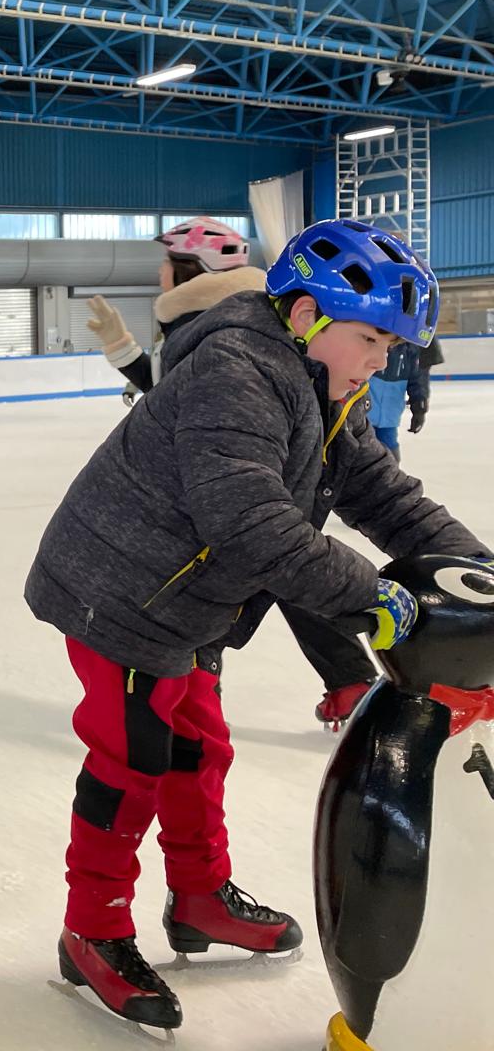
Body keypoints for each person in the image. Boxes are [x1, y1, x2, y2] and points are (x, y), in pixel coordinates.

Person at [25, 219, 488, 1031]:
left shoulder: (322, 384)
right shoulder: (236, 370)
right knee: (132, 761)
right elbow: (250, 521)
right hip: (122, 591)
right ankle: (91, 929)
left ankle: (199, 895)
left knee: (200, 748)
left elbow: (385, 498)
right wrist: (377, 597)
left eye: (391, 347)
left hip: (192, 602)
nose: (381, 363)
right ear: (306, 314)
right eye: (371, 339)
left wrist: (476, 572)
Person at [85, 217, 379, 729]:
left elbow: (184, 392)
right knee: (287, 565)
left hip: (235, 494)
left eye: (166, 263)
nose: (159, 274)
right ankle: (344, 678)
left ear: (192, 268)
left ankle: (202, 707)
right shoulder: (227, 311)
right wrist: (123, 349)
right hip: (247, 483)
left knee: (277, 562)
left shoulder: (212, 320)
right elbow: (174, 390)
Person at [366, 335, 441, 458]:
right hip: (362, 413)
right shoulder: (373, 334)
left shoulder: (412, 345)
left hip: (389, 416)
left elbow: (418, 377)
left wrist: (419, 408)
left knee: (389, 454)